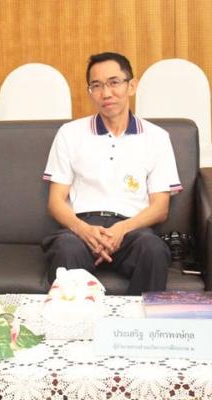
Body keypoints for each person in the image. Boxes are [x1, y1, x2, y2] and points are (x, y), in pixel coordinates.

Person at [42, 52, 182, 295]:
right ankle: (72, 320)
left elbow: (160, 208)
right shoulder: (70, 133)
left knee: (153, 249)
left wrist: (122, 229)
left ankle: (142, 321)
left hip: (132, 230)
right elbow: (55, 202)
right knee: (66, 248)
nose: (106, 93)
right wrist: (84, 230)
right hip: (82, 228)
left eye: (114, 82)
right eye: (96, 86)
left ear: (132, 86)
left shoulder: (157, 137)